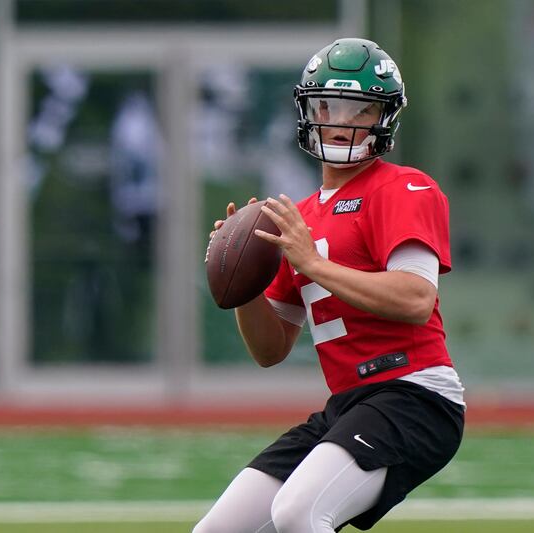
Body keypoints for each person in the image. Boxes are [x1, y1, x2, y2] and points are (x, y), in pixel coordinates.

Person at [194, 38, 465, 533]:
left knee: (298, 512)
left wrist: (312, 264)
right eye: (329, 106)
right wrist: (244, 280)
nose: (341, 121)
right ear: (308, 109)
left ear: (383, 118)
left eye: (360, 109)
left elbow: (415, 299)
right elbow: (270, 349)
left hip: (415, 394)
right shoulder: (299, 218)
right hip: (348, 405)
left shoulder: (404, 188)